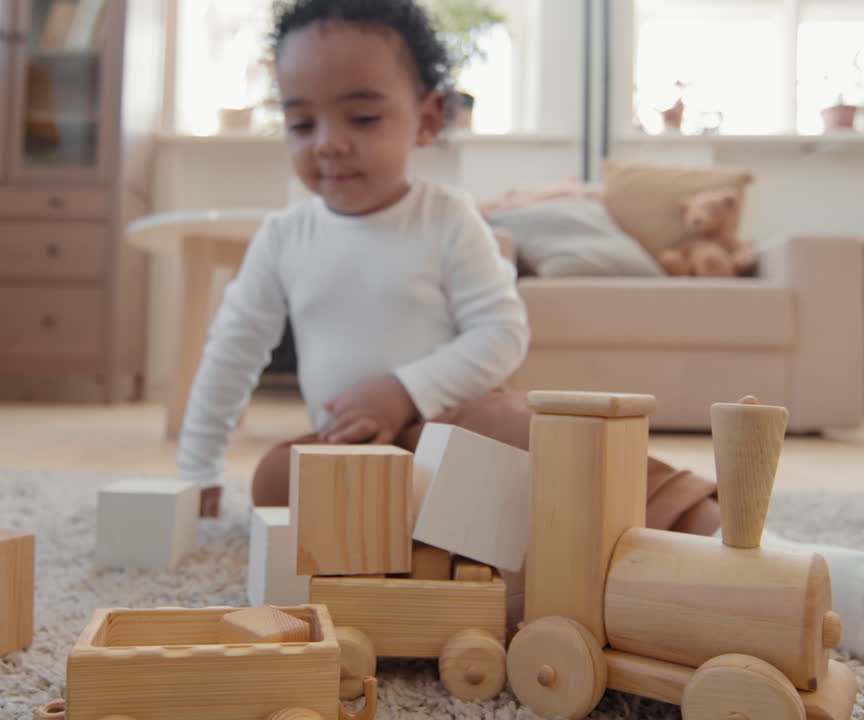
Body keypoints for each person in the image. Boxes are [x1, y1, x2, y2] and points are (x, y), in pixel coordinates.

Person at [176, 0, 721, 536]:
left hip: (457, 424)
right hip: (355, 448)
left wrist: (404, 392)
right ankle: (453, 542)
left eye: (362, 117)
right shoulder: (283, 237)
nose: (329, 143)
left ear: (428, 119)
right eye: (300, 123)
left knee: (530, 436)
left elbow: (502, 334)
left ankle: (691, 516)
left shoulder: (447, 217)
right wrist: (197, 471)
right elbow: (232, 353)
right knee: (275, 480)